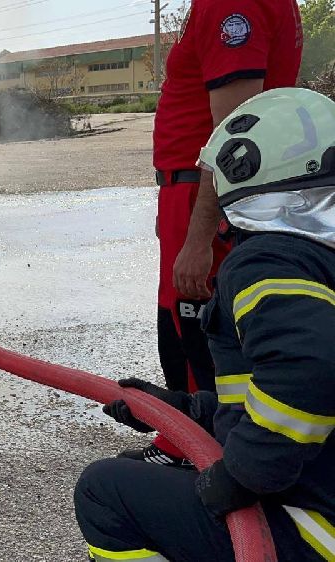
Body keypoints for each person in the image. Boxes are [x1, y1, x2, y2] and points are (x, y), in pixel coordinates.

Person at [75, 88, 335, 561]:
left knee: (103, 490)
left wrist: (240, 477)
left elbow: (311, 367)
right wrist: (186, 410)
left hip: (317, 527)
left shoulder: (269, 258)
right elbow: (280, 391)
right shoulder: (320, 254)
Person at [134, 0, 303, 467]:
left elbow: (235, 137)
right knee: (189, 319)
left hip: (204, 193)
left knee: (194, 323)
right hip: (190, 191)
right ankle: (201, 443)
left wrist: (197, 235)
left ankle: (195, 451)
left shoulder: (231, 3)